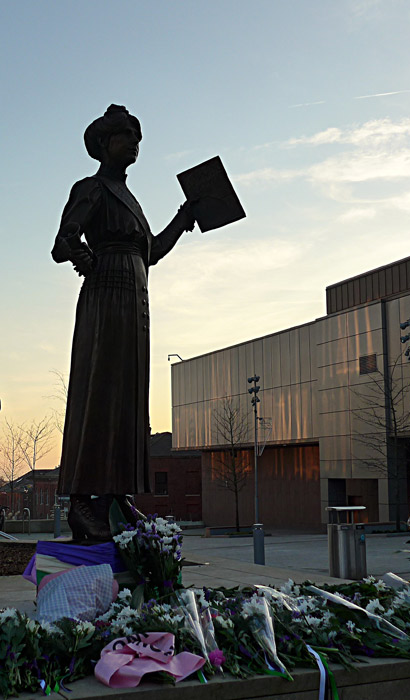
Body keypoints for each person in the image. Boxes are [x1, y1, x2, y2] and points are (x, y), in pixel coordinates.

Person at [51, 105, 195, 542]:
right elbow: (62, 243)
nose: (133, 143)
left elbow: (150, 251)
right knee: (100, 391)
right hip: (105, 296)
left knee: (129, 396)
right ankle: (81, 500)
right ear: (103, 143)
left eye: (137, 136)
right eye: (124, 136)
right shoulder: (91, 188)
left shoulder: (131, 199)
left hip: (136, 300)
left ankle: (116, 496)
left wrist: (184, 217)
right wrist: (86, 260)